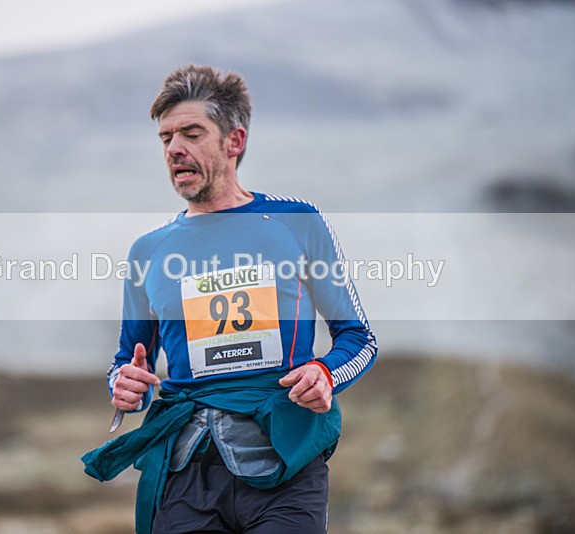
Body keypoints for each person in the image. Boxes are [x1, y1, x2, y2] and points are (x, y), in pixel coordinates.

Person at [82, 65, 377, 534]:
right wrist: (124, 385)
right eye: (165, 138)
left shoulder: (297, 223)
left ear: (234, 142)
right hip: (185, 472)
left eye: (192, 133)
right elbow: (127, 363)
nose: (175, 149)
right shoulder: (148, 251)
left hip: (285, 459)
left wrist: (325, 374)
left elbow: (358, 339)